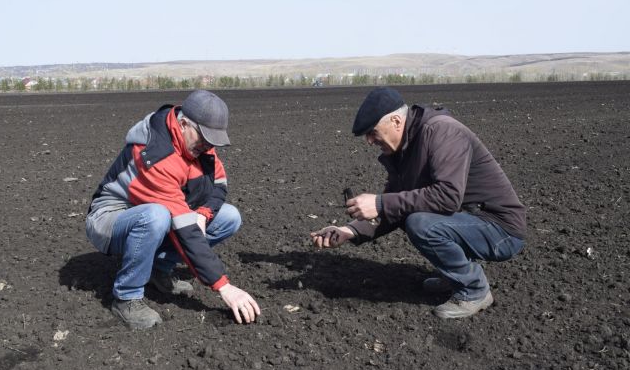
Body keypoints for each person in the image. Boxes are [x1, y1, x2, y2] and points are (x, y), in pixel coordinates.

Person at [310, 88, 526, 319]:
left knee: (420, 223)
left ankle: (474, 290)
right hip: (470, 221)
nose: (369, 141)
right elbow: (394, 207)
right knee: (411, 212)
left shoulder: (442, 131)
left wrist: (381, 203)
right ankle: (453, 275)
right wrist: (348, 230)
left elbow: (447, 196)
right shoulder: (404, 149)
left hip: (501, 229)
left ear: (395, 121)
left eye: (372, 132)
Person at [86, 90, 260, 329]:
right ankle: (126, 296)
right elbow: (184, 228)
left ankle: (158, 270)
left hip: (161, 210)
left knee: (229, 217)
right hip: (111, 217)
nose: (208, 146)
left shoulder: (200, 145)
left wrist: (203, 213)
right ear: (184, 123)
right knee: (155, 217)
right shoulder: (155, 154)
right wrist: (223, 286)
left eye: (212, 140)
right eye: (204, 138)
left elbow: (219, 184)